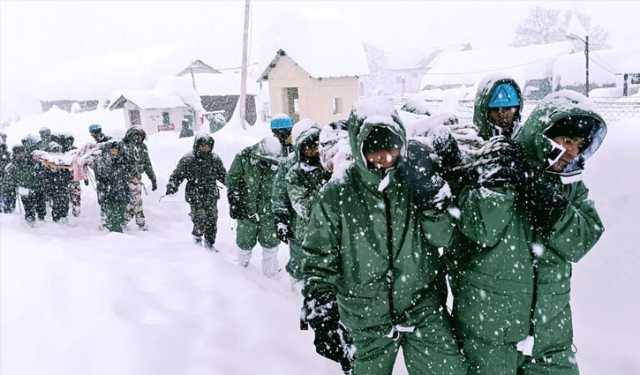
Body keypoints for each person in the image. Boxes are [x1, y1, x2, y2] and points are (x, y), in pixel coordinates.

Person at [302, 99, 468, 375]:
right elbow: (319, 255)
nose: (384, 158)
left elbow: (444, 239)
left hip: (422, 306)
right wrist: (321, 308)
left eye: (390, 148)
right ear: (359, 147)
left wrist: (432, 200)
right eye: (373, 149)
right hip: (364, 315)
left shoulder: (414, 182)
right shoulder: (337, 194)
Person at [450, 90, 606, 375]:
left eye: (580, 144)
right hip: (492, 335)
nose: (573, 151)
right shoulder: (496, 166)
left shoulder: (568, 184)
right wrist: (501, 184)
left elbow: (583, 239)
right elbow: (482, 230)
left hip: (551, 337)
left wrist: (543, 194)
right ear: (542, 135)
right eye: (566, 141)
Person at [226, 134, 282, 277]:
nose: (269, 165)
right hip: (247, 209)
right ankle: (242, 273)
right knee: (244, 241)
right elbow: (232, 179)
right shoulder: (243, 157)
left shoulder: (279, 161)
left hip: (269, 212)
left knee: (270, 243)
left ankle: (270, 277)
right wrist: (234, 200)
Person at [284, 120, 330, 282]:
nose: (313, 151)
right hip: (308, 233)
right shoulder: (295, 174)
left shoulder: (329, 166)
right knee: (304, 272)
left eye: (316, 146)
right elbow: (303, 206)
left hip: (332, 233)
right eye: (308, 147)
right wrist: (325, 193)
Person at [166, 134, 226, 250]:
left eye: (208, 146)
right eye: (202, 146)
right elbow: (177, 175)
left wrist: (233, 186)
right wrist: (173, 185)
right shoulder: (188, 159)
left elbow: (223, 175)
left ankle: (209, 243)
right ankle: (197, 240)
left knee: (212, 219)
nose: (205, 148)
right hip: (195, 193)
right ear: (197, 145)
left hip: (211, 193)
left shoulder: (214, 159)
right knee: (200, 218)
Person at [122, 127, 157, 231]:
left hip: (137, 179)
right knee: (134, 201)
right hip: (126, 178)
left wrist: (153, 179)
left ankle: (130, 221)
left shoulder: (142, 147)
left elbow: (147, 164)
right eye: (135, 136)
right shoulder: (124, 147)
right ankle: (132, 221)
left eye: (140, 136)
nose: (137, 138)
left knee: (136, 201)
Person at [472, 74, 523, 140]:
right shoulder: (471, 144)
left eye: (507, 108)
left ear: (517, 110)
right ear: (484, 113)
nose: (501, 114)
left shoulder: (525, 141)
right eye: (495, 109)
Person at [94, 140, 130, 232]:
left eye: (116, 149)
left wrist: (126, 192)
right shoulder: (103, 162)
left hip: (121, 192)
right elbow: (101, 177)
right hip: (109, 193)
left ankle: (114, 228)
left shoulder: (123, 160)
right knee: (111, 214)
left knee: (120, 212)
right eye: (112, 149)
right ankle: (114, 232)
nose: (114, 151)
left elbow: (126, 177)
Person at [3, 145, 41, 226]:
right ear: (15, 154)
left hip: (33, 186)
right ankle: (30, 219)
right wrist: (13, 186)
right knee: (28, 204)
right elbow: (9, 179)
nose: (20, 155)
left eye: (22, 152)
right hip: (22, 187)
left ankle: (39, 218)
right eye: (18, 153)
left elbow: (36, 172)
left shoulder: (30, 162)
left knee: (37, 203)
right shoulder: (12, 165)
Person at [44, 141, 72, 223]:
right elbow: (45, 175)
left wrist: (66, 176)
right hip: (54, 186)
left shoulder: (64, 160)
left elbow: (68, 172)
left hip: (62, 185)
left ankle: (64, 217)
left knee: (65, 202)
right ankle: (56, 219)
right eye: (54, 150)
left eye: (57, 150)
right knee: (56, 203)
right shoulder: (48, 161)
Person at [0, 141, 14, 213]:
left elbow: (11, 163)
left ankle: (7, 206)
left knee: (6, 192)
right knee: (5, 192)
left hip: (6, 175)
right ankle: (6, 206)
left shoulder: (8, 154)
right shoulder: (8, 154)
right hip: (4, 175)